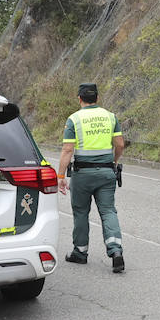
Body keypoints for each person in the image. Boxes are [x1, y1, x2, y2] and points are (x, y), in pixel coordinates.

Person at [57, 82, 126, 271]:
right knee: (108, 211)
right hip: (106, 172)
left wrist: (61, 175)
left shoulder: (74, 119)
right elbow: (120, 144)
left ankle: (80, 252)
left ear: (79, 99)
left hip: (82, 175)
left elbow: (67, 149)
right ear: (97, 98)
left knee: (80, 212)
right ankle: (116, 251)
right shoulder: (110, 117)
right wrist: (114, 162)